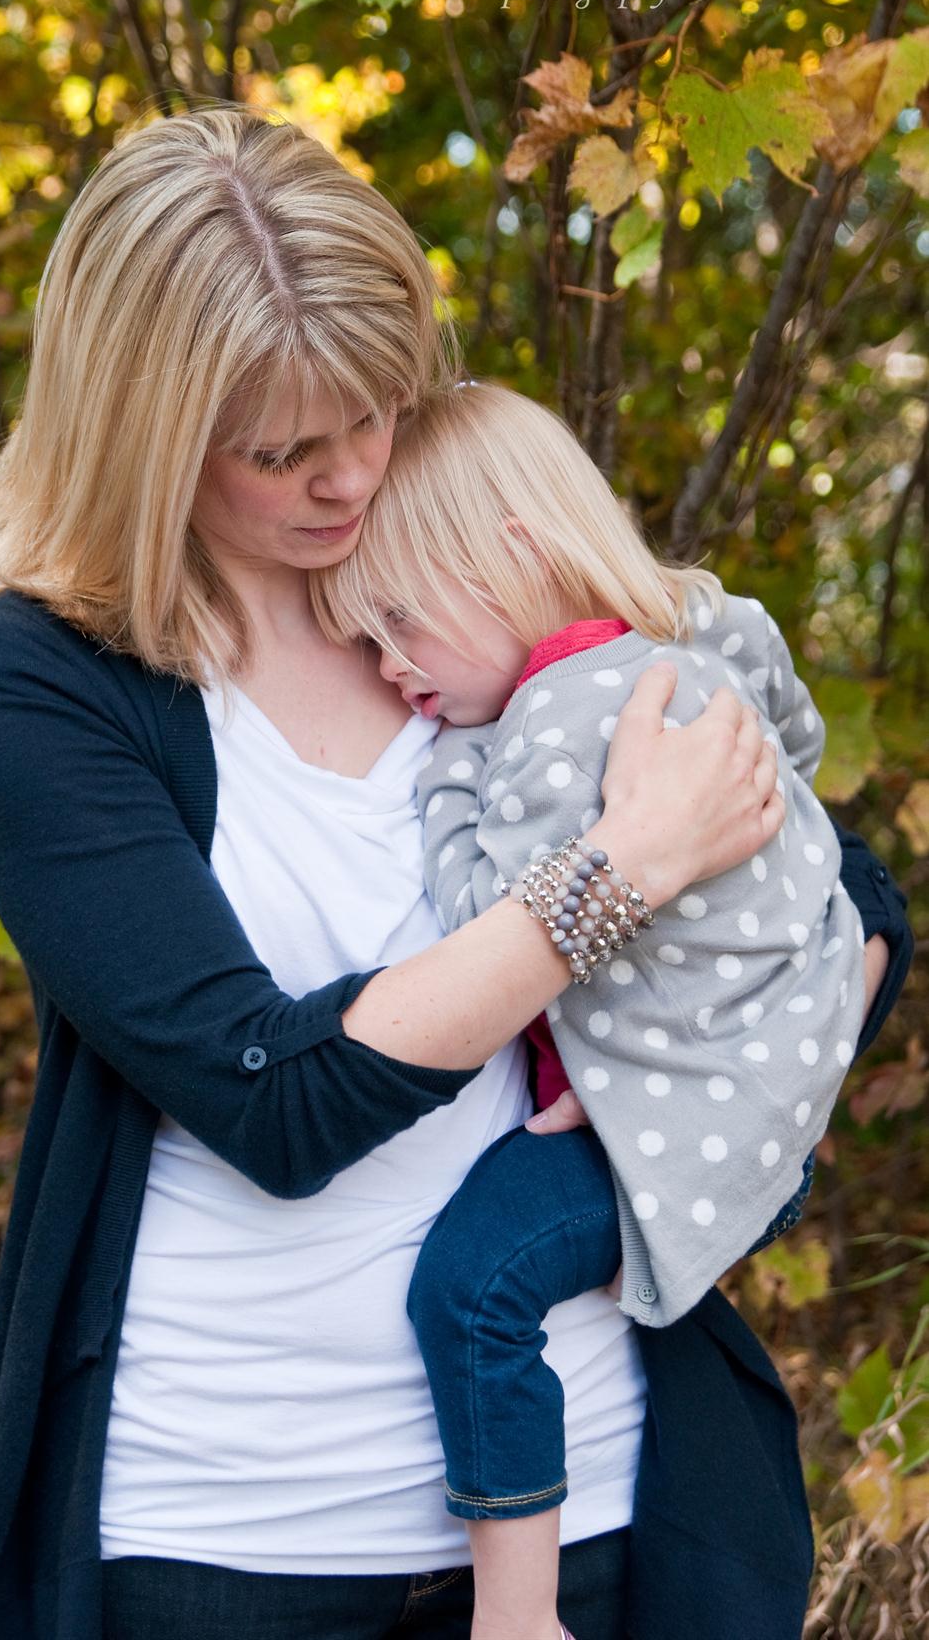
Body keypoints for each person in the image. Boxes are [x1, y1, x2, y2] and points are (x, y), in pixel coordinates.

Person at [0, 104, 910, 1640]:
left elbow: (838, 892)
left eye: (374, 413)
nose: (347, 480)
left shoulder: (457, 579)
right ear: (141, 437)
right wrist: (616, 874)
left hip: (599, 1502)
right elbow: (273, 1101)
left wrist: (723, 1095)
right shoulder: (41, 683)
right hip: (221, 1535)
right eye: (281, 451)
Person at [313, 378, 872, 1640]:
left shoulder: (554, 722)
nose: (389, 668)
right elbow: (794, 731)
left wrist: (449, 773)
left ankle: (517, 1614)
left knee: (471, 1290)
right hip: (759, 1086)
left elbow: (488, 924)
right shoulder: (693, 639)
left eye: (396, 621)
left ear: (512, 557)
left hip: (668, 1124)